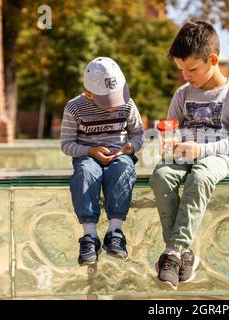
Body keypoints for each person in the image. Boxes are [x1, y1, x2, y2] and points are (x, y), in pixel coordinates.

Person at [149, 20, 229, 290]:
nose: (185, 76)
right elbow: (172, 127)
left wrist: (202, 150)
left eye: (191, 69)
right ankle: (184, 255)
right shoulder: (182, 94)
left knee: (201, 177)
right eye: (181, 70)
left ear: (213, 59)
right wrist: (169, 143)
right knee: (161, 176)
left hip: (218, 155)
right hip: (185, 154)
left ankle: (172, 252)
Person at [60, 57, 144, 266]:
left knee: (124, 168)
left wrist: (129, 148)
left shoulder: (127, 105)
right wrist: (90, 151)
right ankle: (90, 236)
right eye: (108, 102)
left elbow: (138, 134)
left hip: (120, 155)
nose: (115, 107)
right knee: (85, 173)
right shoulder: (74, 108)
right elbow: (66, 144)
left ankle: (114, 231)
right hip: (89, 157)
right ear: (89, 93)